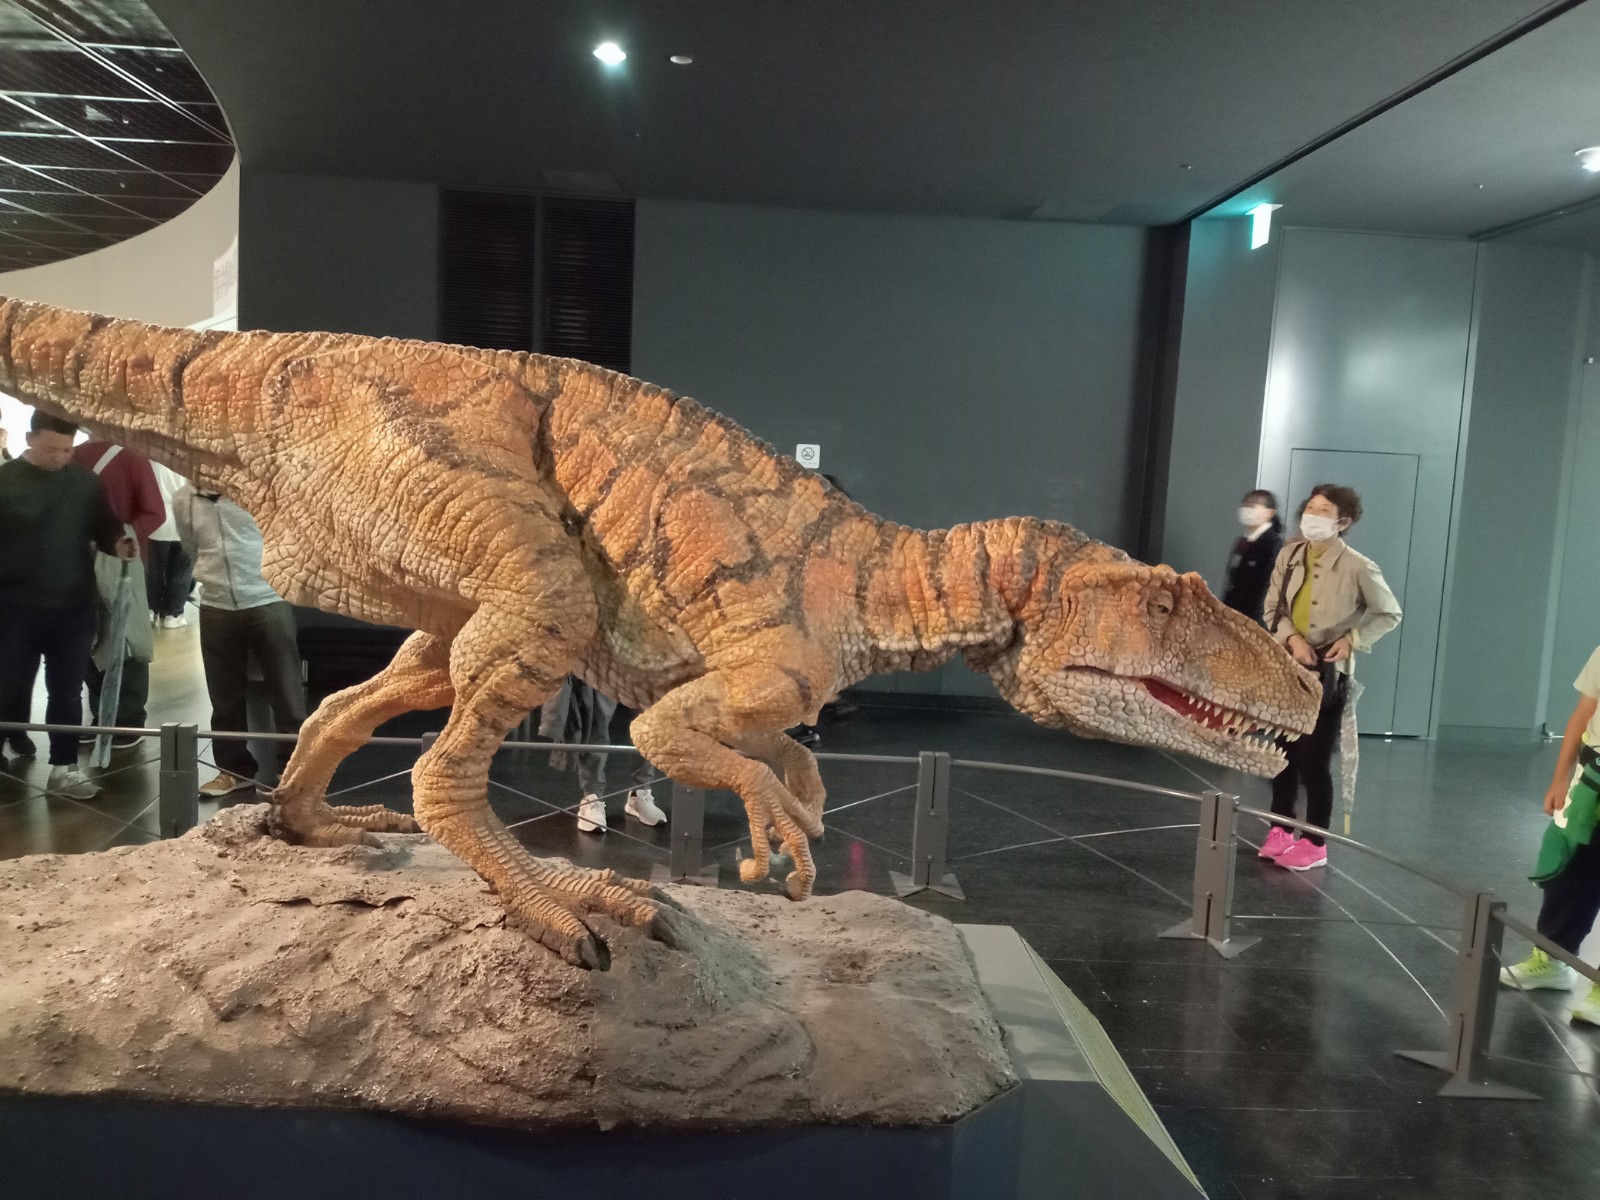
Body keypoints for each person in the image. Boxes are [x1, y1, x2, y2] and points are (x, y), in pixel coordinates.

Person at [1261, 484, 1402, 871]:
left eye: (1324, 510)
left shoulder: (1358, 565)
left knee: (1313, 759)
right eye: (1310, 508)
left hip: (1328, 673)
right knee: (1282, 754)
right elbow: (1273, 605)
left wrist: (1353, 639)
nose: (1313, 515)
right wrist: (1290, 638)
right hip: (1288, 667)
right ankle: (1280, 829)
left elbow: (1389, 613)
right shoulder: (1290, 554)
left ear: (1343, 522)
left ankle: (1315, 840)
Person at [0, 412, 137, 797]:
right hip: (13, 607)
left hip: (74, 605)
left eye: (67, 450)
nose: (61, 457)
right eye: (51, 449)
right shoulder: (5, 482)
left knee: (66, 690)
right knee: (8, 685)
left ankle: (63, 768)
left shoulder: (83, 482)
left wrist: (118, 543)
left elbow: (105, 526)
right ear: (28, 439)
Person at [174, 484, 307, 797]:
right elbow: (190, 546)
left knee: (287, 691)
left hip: (267, 597)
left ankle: (296, 771)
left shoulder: (257, 489)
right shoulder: (183, 499)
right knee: (224, 696)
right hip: (215, 603)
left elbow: (286, 536)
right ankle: (234, 771)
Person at [1499, 647, 1600, 1026]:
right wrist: (1560, 779)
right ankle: (1553, 959)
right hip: (1590, 782)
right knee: (1567, 874)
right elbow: (1582, 716)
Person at [72, 440, 163, 739]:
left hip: (119, 561)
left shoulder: (128, 455)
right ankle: (106, 715)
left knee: (125, 634)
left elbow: (153, 512)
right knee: (96, 636)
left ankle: (127, 718)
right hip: (91, 558)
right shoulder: (76, 453)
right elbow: (154, 512)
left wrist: (118, 537)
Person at [538, 676, 666, 833]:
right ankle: (592, 798)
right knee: (595, 722)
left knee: (649, 723)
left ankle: (641, 792)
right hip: (604, 661)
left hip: (643, 661)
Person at [146, 461, 195, 629]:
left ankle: (151, 609)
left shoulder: (152, 461)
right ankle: (173, 614)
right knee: (182, 570)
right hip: (185, 519)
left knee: (154, 570)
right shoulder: (189, 463)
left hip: (156, 520)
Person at [1222, 489, 1282, 624]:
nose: (1248, 509)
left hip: (1255, 619)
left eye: (1254, 506)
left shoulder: (1273, 544)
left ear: (1270, 512)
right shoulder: (1241, 541)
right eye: (1246, 505)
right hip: (1232, 614)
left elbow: (1268, 586)